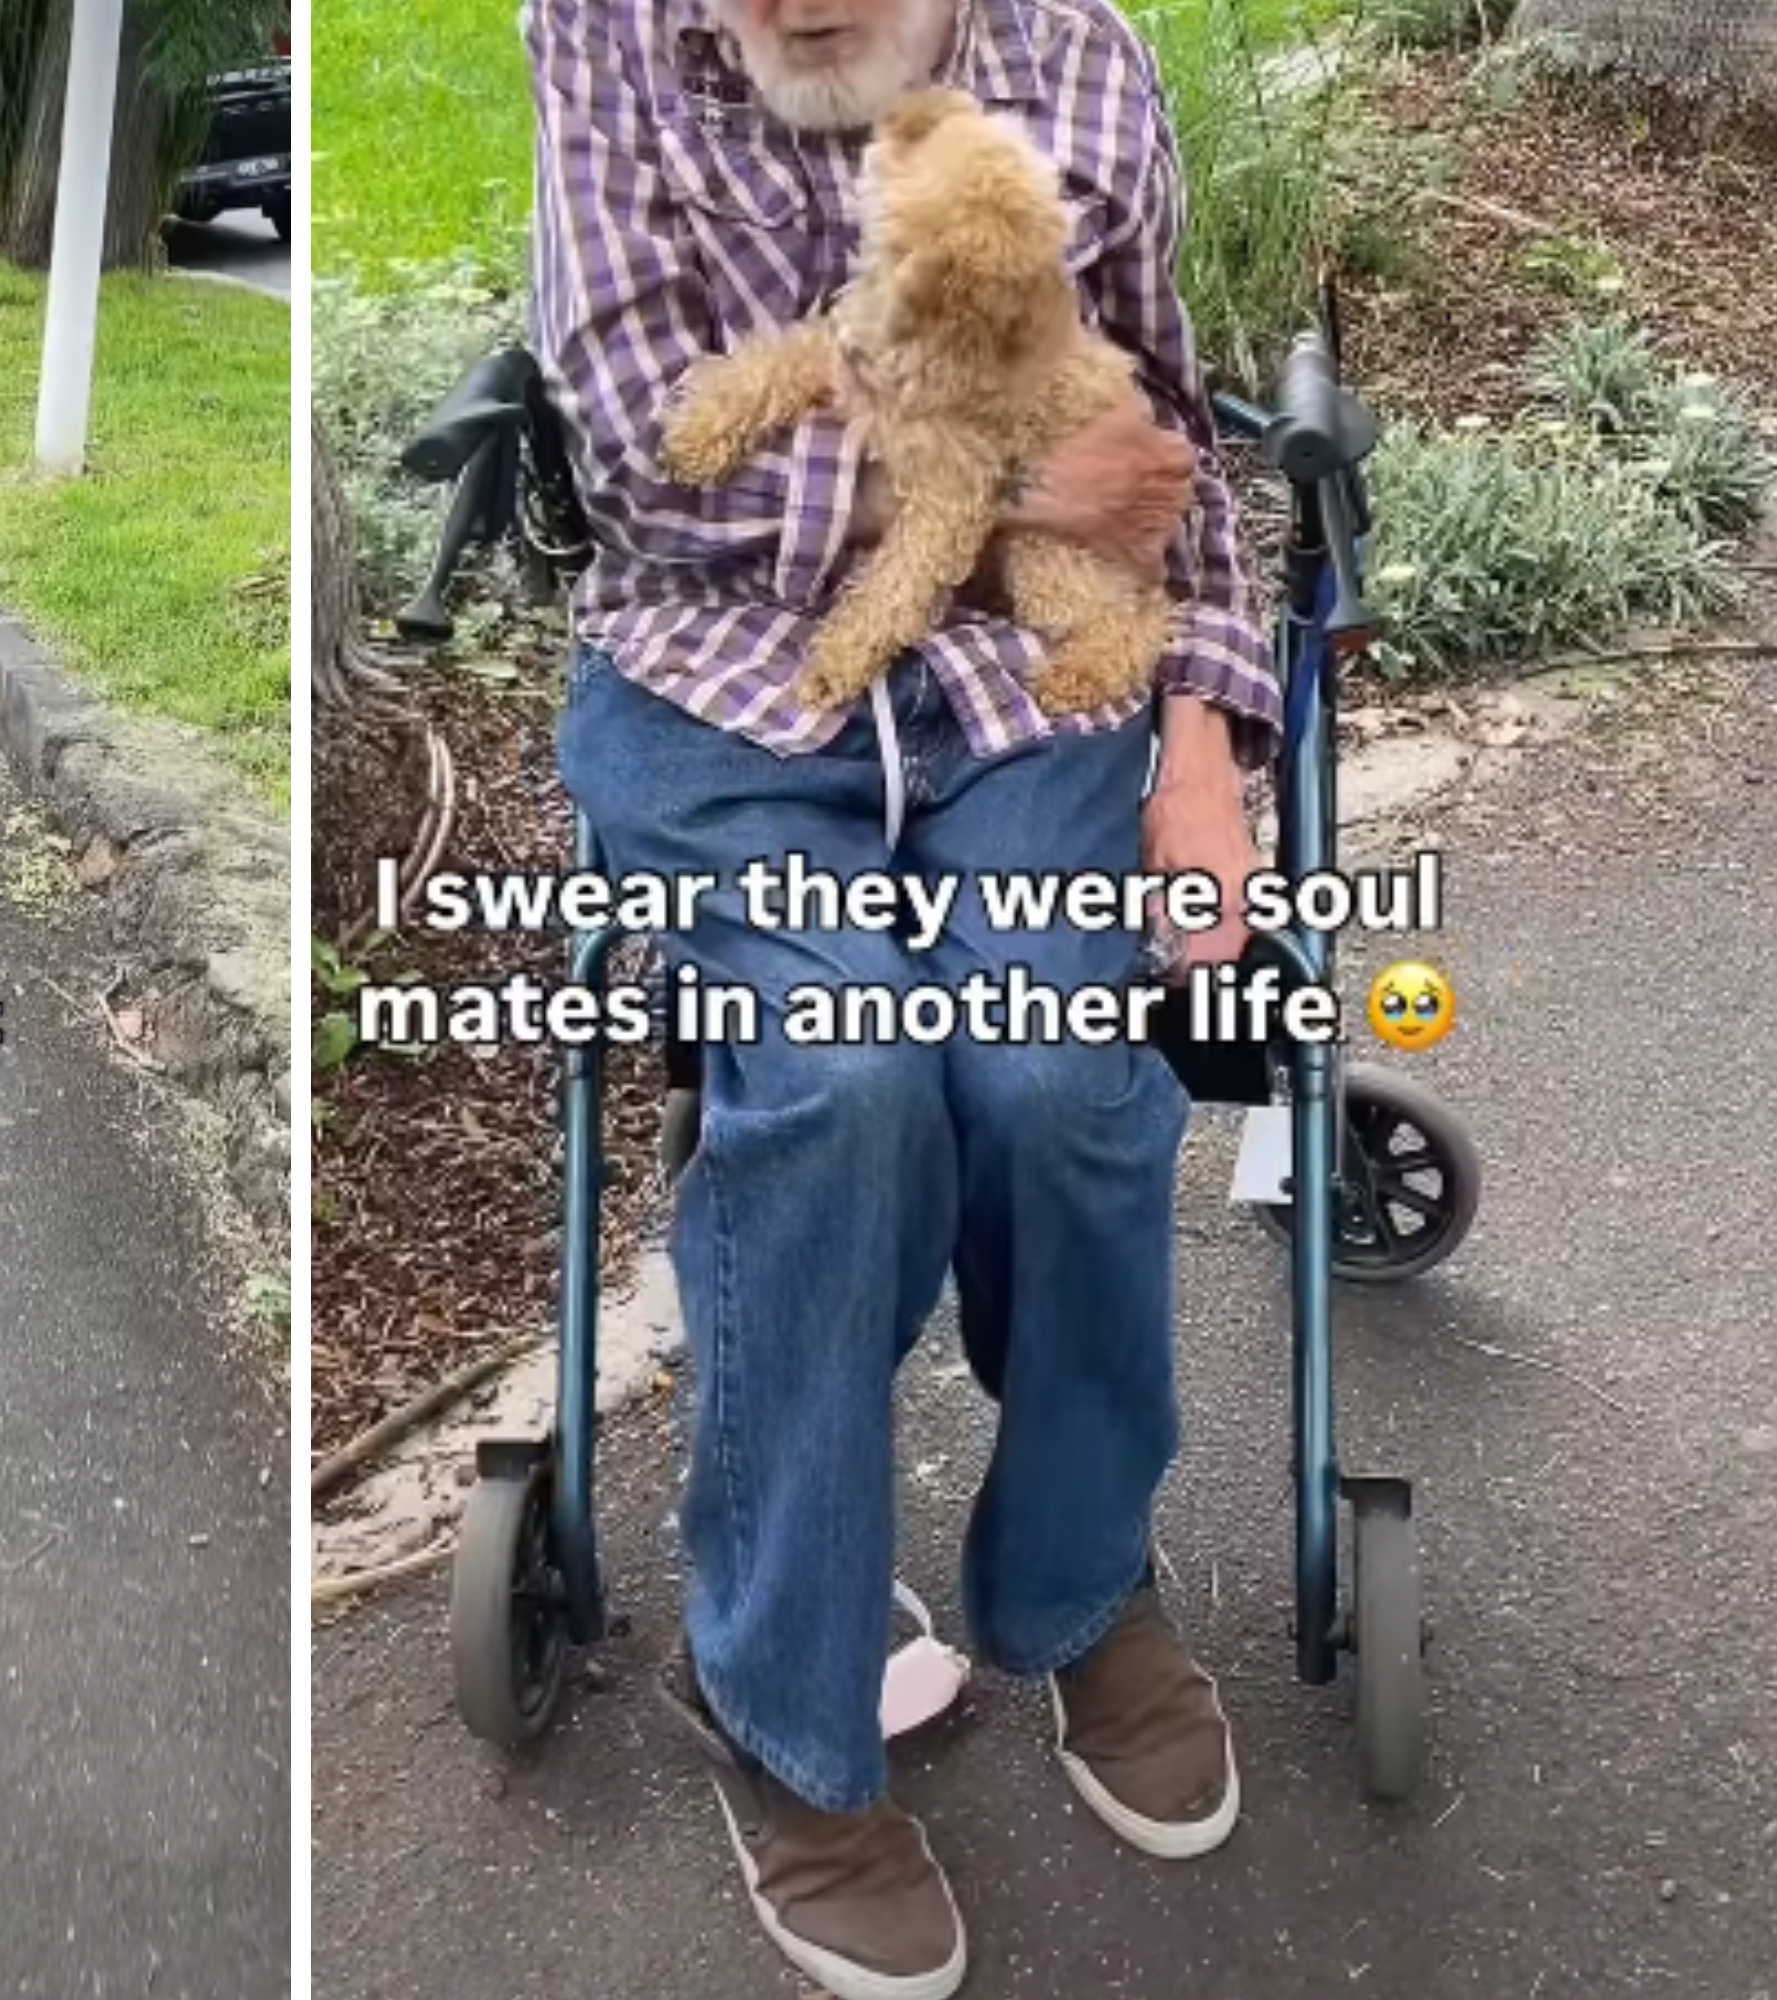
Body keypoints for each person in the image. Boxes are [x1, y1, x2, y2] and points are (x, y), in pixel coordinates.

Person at [526, 1, 1282, 1995]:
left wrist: (1205, 740)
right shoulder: (607, 40)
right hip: (723, 700)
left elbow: (1169, 442)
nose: (777, 9)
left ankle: (1079, 1580)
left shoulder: (1086, 56)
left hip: (1038, 699)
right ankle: (777, 1693)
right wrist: (1026, 491)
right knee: (848, 1078)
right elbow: (654, 463)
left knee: (1057, 1084)